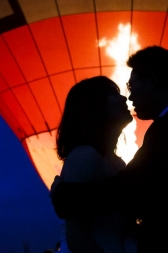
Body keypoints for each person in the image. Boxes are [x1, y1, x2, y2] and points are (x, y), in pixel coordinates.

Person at [51, 46, 168, 253]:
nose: (128, 97)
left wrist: (64, 196)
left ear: (152, 82)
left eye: (131, 87)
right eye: (119, 92)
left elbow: (129, 189)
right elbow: (133, 191)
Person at [56, 76, 135, 253]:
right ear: (93, 107)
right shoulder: (84, 156)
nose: (124, 98)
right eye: (112, 94)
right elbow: (77, 237)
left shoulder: (118, 163)